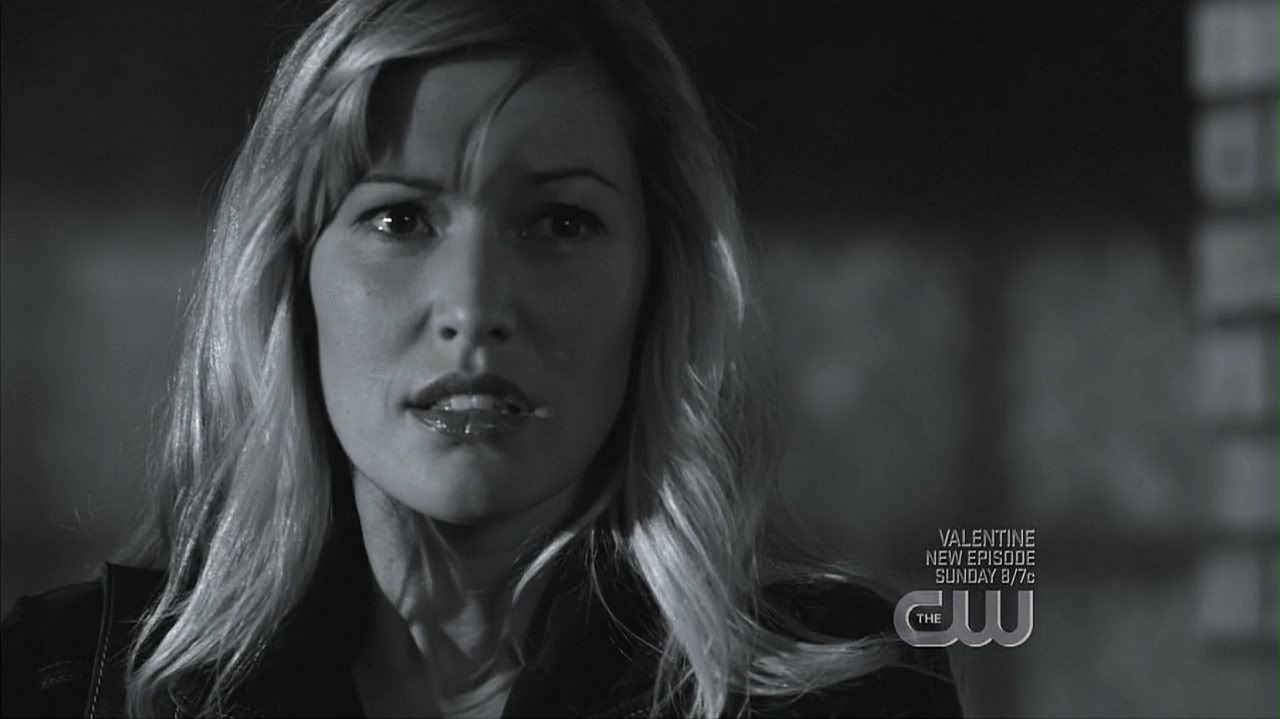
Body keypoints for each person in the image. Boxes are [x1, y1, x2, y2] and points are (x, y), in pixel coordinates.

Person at [1, 1, 964, 716]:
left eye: (560, 222)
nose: (472, 307)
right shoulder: (64, 680)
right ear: (291, 274)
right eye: (398, 219)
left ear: (659, 282)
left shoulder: (844, 691)